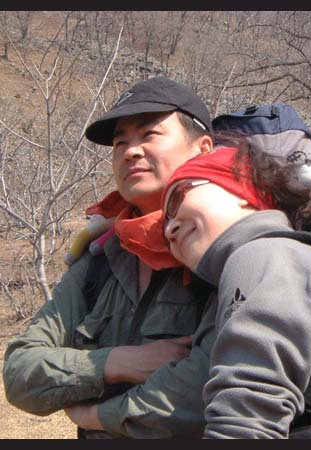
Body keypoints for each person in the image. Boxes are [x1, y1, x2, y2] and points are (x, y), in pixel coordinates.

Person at [3, 77, 219, 438]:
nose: (130, 151)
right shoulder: (101, 258)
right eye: (120, 142)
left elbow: (205, 392)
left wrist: (94, 416)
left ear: (203, 149)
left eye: (149, 134)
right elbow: (19, 371)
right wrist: (114, 362)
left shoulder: (225, 257)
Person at [161, 145, 311, 438]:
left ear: (242, 189)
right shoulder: (283, 255)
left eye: (178, 197)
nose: (169, 229)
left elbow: (245, 423)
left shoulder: (265, 255)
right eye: (164, 222)